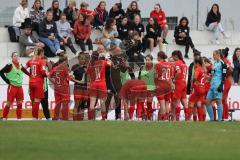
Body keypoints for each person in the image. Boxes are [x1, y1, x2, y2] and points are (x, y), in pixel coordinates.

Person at [0, 52, 30, 120]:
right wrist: (6, 80)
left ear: (19, 57)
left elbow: (26, 72)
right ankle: (4, 118)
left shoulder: (20, 65)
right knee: (9, 104)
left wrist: (31, 75)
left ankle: (19, 119)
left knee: (20, 104)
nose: (16, 57)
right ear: (12, 58)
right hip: (12, 86)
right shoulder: (9, 65)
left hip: (19, 87)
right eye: (14, 56)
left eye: (17, 56)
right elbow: (1, 72)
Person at [86, 51, 111, 120]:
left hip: (93, 84)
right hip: (102, 84)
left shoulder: (90, 64)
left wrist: (89, 85)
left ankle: (91, 119)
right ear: (98, 56)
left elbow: (88, 77)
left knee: (92, 102)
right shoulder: (102, 62)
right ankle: (103, 119)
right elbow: (111, 64)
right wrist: (106, 58)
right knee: (102, 102)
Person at [25, 48, 47, 119]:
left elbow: (22, 68)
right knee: (37, 101)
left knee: (33, 101)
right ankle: (35, 118)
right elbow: (43, 72)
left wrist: (29, 74)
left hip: (31, 82)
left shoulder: (31, 61)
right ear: (42, 53)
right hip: (38, 83)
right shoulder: (41, 61)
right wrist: (47, 75)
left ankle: (34, 117)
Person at [49, 55, 72, 120]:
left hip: (57, 88)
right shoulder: (65, 68)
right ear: (65, 61)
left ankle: (55, 117)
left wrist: (54, 83)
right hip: (64, 88)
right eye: (67, 61)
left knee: (57, 103)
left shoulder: (55, 68)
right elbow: (69, 77)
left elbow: (49, 76)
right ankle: (65, 117)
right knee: (65, 103)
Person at [206, 50, 227, 121]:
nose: (213, 56)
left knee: (218, 101)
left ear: (218, 55)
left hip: (218, 84)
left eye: (214, 55)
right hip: (212, 85)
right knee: (207, 101)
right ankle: (212, 119)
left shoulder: (223, 63)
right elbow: (212, 73)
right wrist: (208, 74)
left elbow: (224, 75)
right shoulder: (215, 63)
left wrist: (221, 85)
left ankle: (220, 119)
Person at [155, 51, 173, 121]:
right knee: (167, 103)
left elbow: (156, 76)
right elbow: (171, 77)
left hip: (160, 85)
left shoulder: (157, 65)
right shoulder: (170, 65)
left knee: (162, 103)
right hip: (168, 85)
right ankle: (166, 118)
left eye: (157, 56)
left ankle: (163, 119)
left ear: (159, 57)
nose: (157, 58)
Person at [171, 50, 189, 121]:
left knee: (177, 101)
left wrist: (174, 78)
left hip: (178, 83)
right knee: (184, 101)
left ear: (175, 56)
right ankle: (187, 118)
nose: (172, 58)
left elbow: (178, 72)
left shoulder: (177, 63)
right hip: (184, 83)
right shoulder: (184, 63)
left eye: (173, 56)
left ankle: (177, 118)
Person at [71, 53, 89, 121]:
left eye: (84, 59)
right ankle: (75, 120)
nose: (83, 60)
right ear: (78, 59)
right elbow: (70, 77)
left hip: (85, 88)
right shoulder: (74, 67)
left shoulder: (86, 67)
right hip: (78, 87)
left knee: (82, 106)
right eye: (81, 59)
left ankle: (81, 121)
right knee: (77, 105)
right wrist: (78, 81)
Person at [188, 56, 206, 121]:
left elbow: (195, 77)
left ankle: (188, 119)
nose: (194, 64)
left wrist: (192, 80)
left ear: (197, 63)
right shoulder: (203, 69)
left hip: (198, 89)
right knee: (199, 104)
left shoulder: (197, 69)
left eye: (194, 63)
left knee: (191, 102)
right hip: (203, 89)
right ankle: (201, 120)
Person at [138, 55, 155, 120]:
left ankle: (149, 116)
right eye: (146, 60)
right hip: (143, 87)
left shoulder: (155, 67)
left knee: (149, 102)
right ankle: (143, 114)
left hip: (151, 87)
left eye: (148, 60)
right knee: (142, 101)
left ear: (151, 60)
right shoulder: (142, 67)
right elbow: (139, 78)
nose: (147, 61)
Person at [220, 48, 233, 120]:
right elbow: (231, 69)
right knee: (224, 100)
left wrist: (225, 76)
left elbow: (230, 70)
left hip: (225, 82)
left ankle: (223, 117)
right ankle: (225, 116)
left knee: (222, 99)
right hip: (228, 81)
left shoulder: (224, 61)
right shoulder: (227, 60)